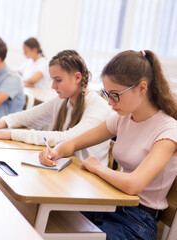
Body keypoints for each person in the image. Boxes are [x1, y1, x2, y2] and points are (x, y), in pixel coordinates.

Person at [39, 50, 177, 240]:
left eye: (115, 95)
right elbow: (72, 144)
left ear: (142, 88)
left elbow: (134, 185)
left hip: (137, 220)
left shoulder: (168, 130)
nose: (110, 102)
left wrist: (96, 167)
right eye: (106, 94)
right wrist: (54, 152)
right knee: (47, 217)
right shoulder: (123, 118)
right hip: (110, 204)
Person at [0, 50, 111, 166]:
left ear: (77, 77)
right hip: (67, 167)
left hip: (87, 179)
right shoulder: (63, 101)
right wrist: (2, 122)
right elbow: (29, 116)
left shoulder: (99, 108)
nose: (53, 86)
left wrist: (10, 134)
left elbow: (67, 138)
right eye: (52, 80)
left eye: (58, 80)